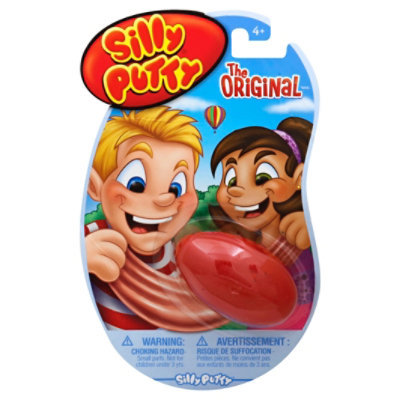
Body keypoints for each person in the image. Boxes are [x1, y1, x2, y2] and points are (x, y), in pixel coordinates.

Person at [84, 106, 227, 331]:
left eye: (176, 188)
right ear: (95, 186)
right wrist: (86, 258)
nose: (163, 199)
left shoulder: (176, 256)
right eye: (136, 184)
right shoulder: (92, 237)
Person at [209, 117, 315, 329]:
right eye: (231, 180)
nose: (236, 189)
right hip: (256, 322)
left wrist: (308, 228)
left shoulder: (297, 232)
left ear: (298, 178)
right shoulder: (242, 242)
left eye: (261, 177)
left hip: (298, 316)